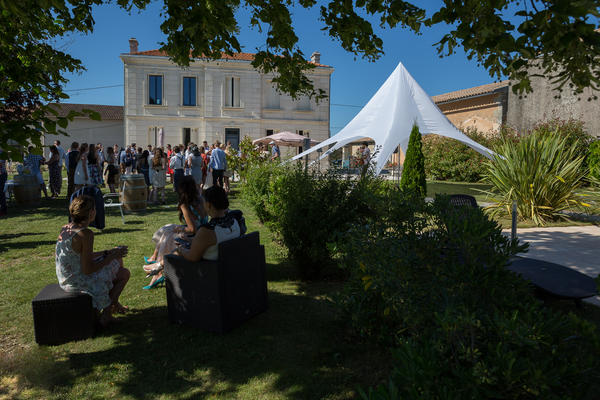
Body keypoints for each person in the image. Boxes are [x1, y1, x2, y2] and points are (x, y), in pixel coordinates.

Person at [56, 195, 130, 327]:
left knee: (117, 259)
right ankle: (107, 313)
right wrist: (111, 257)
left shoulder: (66, 228)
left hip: (66, 277)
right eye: (95, 208)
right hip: (78, 281)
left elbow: (81, 256)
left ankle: (112, 305)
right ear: (91, 212)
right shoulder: (86, 234)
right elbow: (88, 269)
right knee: (124, 272)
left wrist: (108, 252)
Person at [143, 176, 208, 289]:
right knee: (167, 228)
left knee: (168, 236)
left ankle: (158, 272)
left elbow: (192, 229)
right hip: (202, 232)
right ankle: (154, 258)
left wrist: (181, 229)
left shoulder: (185, 204)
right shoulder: (200, 199)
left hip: (194, 236)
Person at [173, 186, 241, 262]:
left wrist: (180, 250)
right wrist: (190, 240)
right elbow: (210, 242)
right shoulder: (235, 220)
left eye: (203, 202)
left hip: (208, 270)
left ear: (208, 205)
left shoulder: (208, 230)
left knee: (172, 253)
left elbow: (192, 257)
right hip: (229, 264)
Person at [0, 153, 7, 217]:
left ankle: (3, 210)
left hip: (1, 175)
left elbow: (1, 164)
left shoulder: (1, 152)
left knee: (1, 192)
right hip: (2, 174)